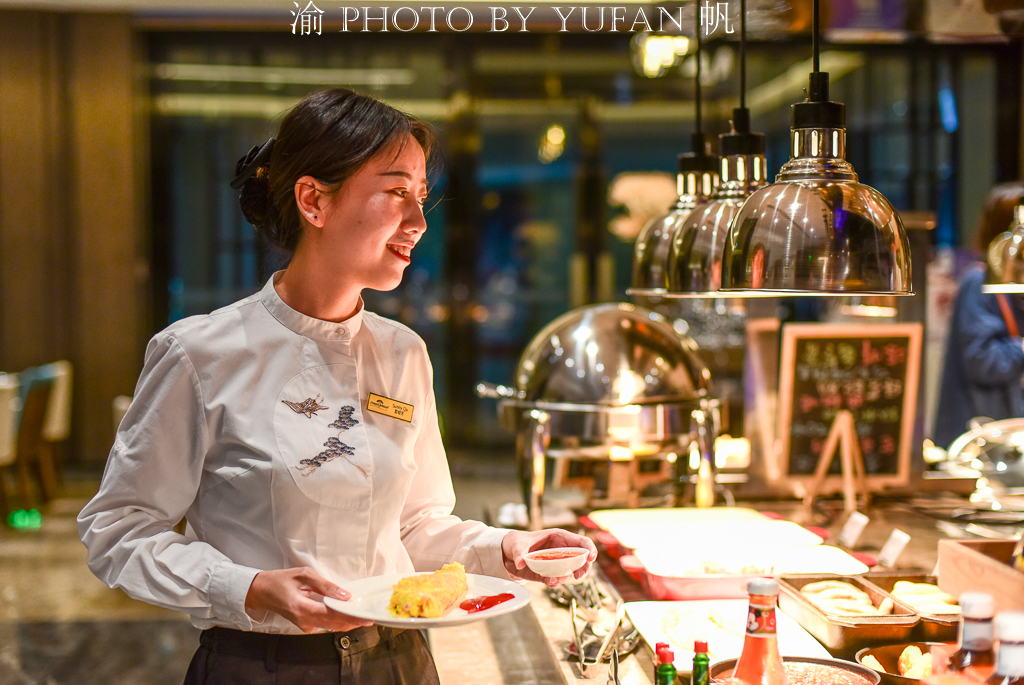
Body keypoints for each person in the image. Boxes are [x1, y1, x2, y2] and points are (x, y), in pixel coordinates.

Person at [78, 88, 597, 685]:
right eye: (396, 192)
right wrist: (250, 588)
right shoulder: (198, 353)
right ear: (313, 201)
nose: (419, 223)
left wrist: (506, 549)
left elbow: (415, 525)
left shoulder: (403, 352)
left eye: (422, 198)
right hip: (260, 667)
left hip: (399, 661)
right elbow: (119, 530)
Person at [935, 182, 1024, 449]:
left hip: (1006, 438)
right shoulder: (979, 281)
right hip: (981, 438)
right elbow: (984, 362)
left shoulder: (1012, 283)